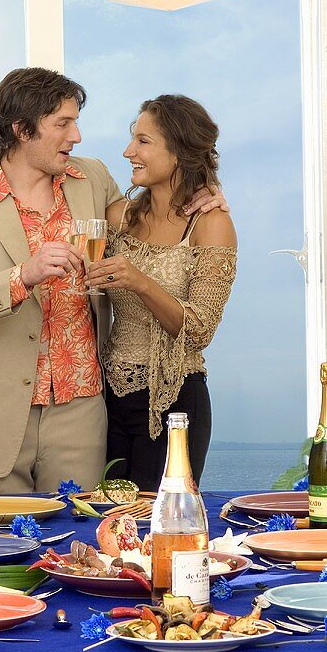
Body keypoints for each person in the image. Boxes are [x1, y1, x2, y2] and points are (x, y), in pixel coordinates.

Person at [0, 68, 224, 494]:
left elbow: (154, 218)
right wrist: (23, 276)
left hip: (83, 413)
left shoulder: (93, 179)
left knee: (81, 552)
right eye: (63, 124)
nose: (77, 135)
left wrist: (205, 193)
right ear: (22, 129)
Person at [85, 95, 237, 490]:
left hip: (175, 406)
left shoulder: (211, 224)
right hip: (108, 401)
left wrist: (140, 281)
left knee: (161, 531)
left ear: (180, 152)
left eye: (143, 141)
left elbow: (199, 330)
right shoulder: (117, 218)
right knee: (108, 526)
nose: (128, 151)